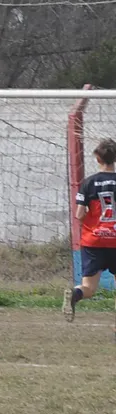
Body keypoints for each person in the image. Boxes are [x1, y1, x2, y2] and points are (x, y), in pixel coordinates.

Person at [63, 138, 116, 322]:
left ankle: (75, 294)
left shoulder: (88, 183)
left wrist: (94, 224)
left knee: (89, 288)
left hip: (94, 241)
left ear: (97, 159)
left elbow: (79, 214)